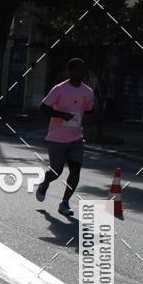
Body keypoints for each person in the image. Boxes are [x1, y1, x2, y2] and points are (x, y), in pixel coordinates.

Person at [36, 58, 94, 217]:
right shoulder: (59, 89)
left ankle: (64, 203)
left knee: (75, 172)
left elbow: (88, 111)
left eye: (83, 70)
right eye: (78, 70)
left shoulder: (88, 91)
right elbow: (42, 108)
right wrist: (62, 115)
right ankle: (46, 182)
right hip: (57, 138)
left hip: (76, 138)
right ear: (70, 72)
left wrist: (87, 117)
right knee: (57, 171)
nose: (81, 73)